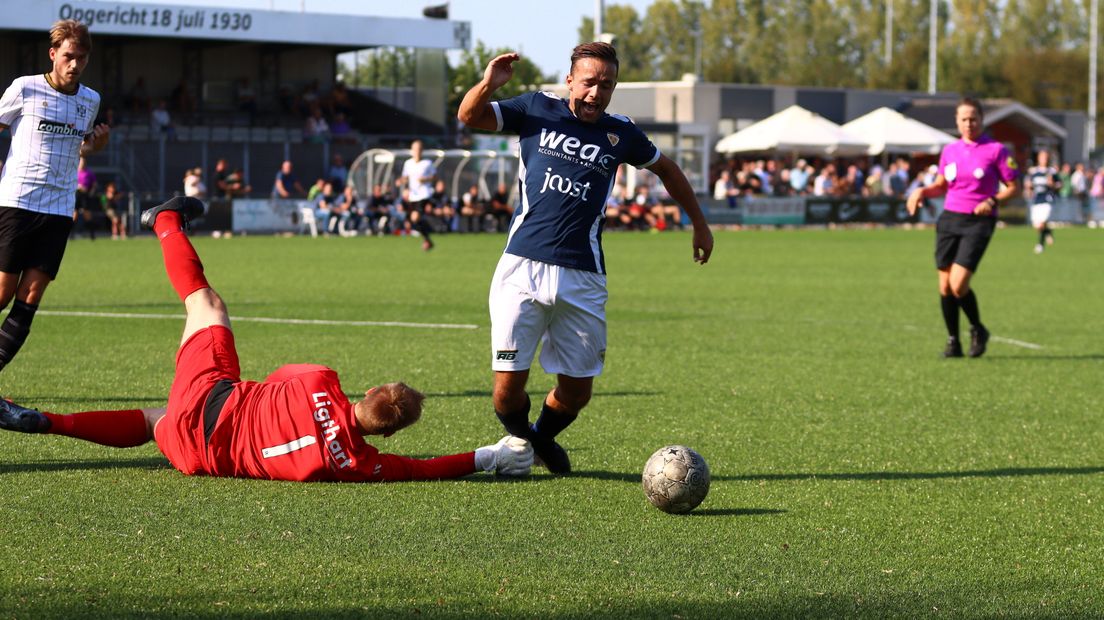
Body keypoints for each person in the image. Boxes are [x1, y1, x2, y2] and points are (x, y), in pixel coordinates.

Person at [0, 197, 533, 481]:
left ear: (367, 390)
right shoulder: (358, 464)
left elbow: (279, 378)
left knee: (206, 305)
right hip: (195, 456)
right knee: (150, 422)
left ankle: (165, 221)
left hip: (211, 398)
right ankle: (46, 423)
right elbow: (425, 470)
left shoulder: (323, 381)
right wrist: (488, 456)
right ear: (387, 436)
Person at [457, 43, 713, 474]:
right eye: (589, 82)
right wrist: (488, 84)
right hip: (522, 268)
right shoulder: (536, 109)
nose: (596, 93)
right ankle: (531, 440)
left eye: (606, 85)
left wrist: (700, 224)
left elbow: (667, 168)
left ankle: (538, 438)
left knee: (577, 393)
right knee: (505, 393)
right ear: (570, 80)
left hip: (584, 275)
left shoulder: (622, 132)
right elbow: (469, 117)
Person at [0, 19, 110, 374]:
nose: (75, 64)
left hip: (60, 208)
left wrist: (94, 147)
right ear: (53, 54)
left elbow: (78, 146)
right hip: (17, 201)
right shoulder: (25, 89)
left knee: (31, 295)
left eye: (81, 58)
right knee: (2, 292)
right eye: (68, 56)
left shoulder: (90, 100)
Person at [906, 97, 1019, 359]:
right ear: (957, 122)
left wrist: (991, 200)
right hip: (950, 219)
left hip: (979, 221)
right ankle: (953, 341)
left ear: (981, 119)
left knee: (958, 284)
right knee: (944, 286)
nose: (969, 123)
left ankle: (978, 329)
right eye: (964, 119)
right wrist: (922, 191)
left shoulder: (996, 150)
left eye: (974, 118)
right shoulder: (950, 151)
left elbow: (1015, 187)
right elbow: (941, 186)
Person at [397, 140, 437, 251]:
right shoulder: (408, 163)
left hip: (424, 194)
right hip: (413, 196)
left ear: (422, 150)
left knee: (415, 218)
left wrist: (425, 179)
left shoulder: (427, 163)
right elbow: (405, 177)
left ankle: (429, 237)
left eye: (419, 149)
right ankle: (428, 239)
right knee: (412, 221)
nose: (417, 151)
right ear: (412, 150)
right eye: (415, 149)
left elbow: (435, 177)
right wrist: (400, 181)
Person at [1024, 150, 1058, 254]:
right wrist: (1028, 189)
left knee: (1041, 224)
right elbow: (1029, 185)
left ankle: (1040, 245)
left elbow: (1059, 185)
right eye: (1042, 157)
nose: (1044, 159)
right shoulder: (1034, 172)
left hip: (1047, 199)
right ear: (1038, 158)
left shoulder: (1051, 172)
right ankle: (1048, 232)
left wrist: (1052, 184)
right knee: (1036, 225)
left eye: (1046, 157)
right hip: (1036, 200)